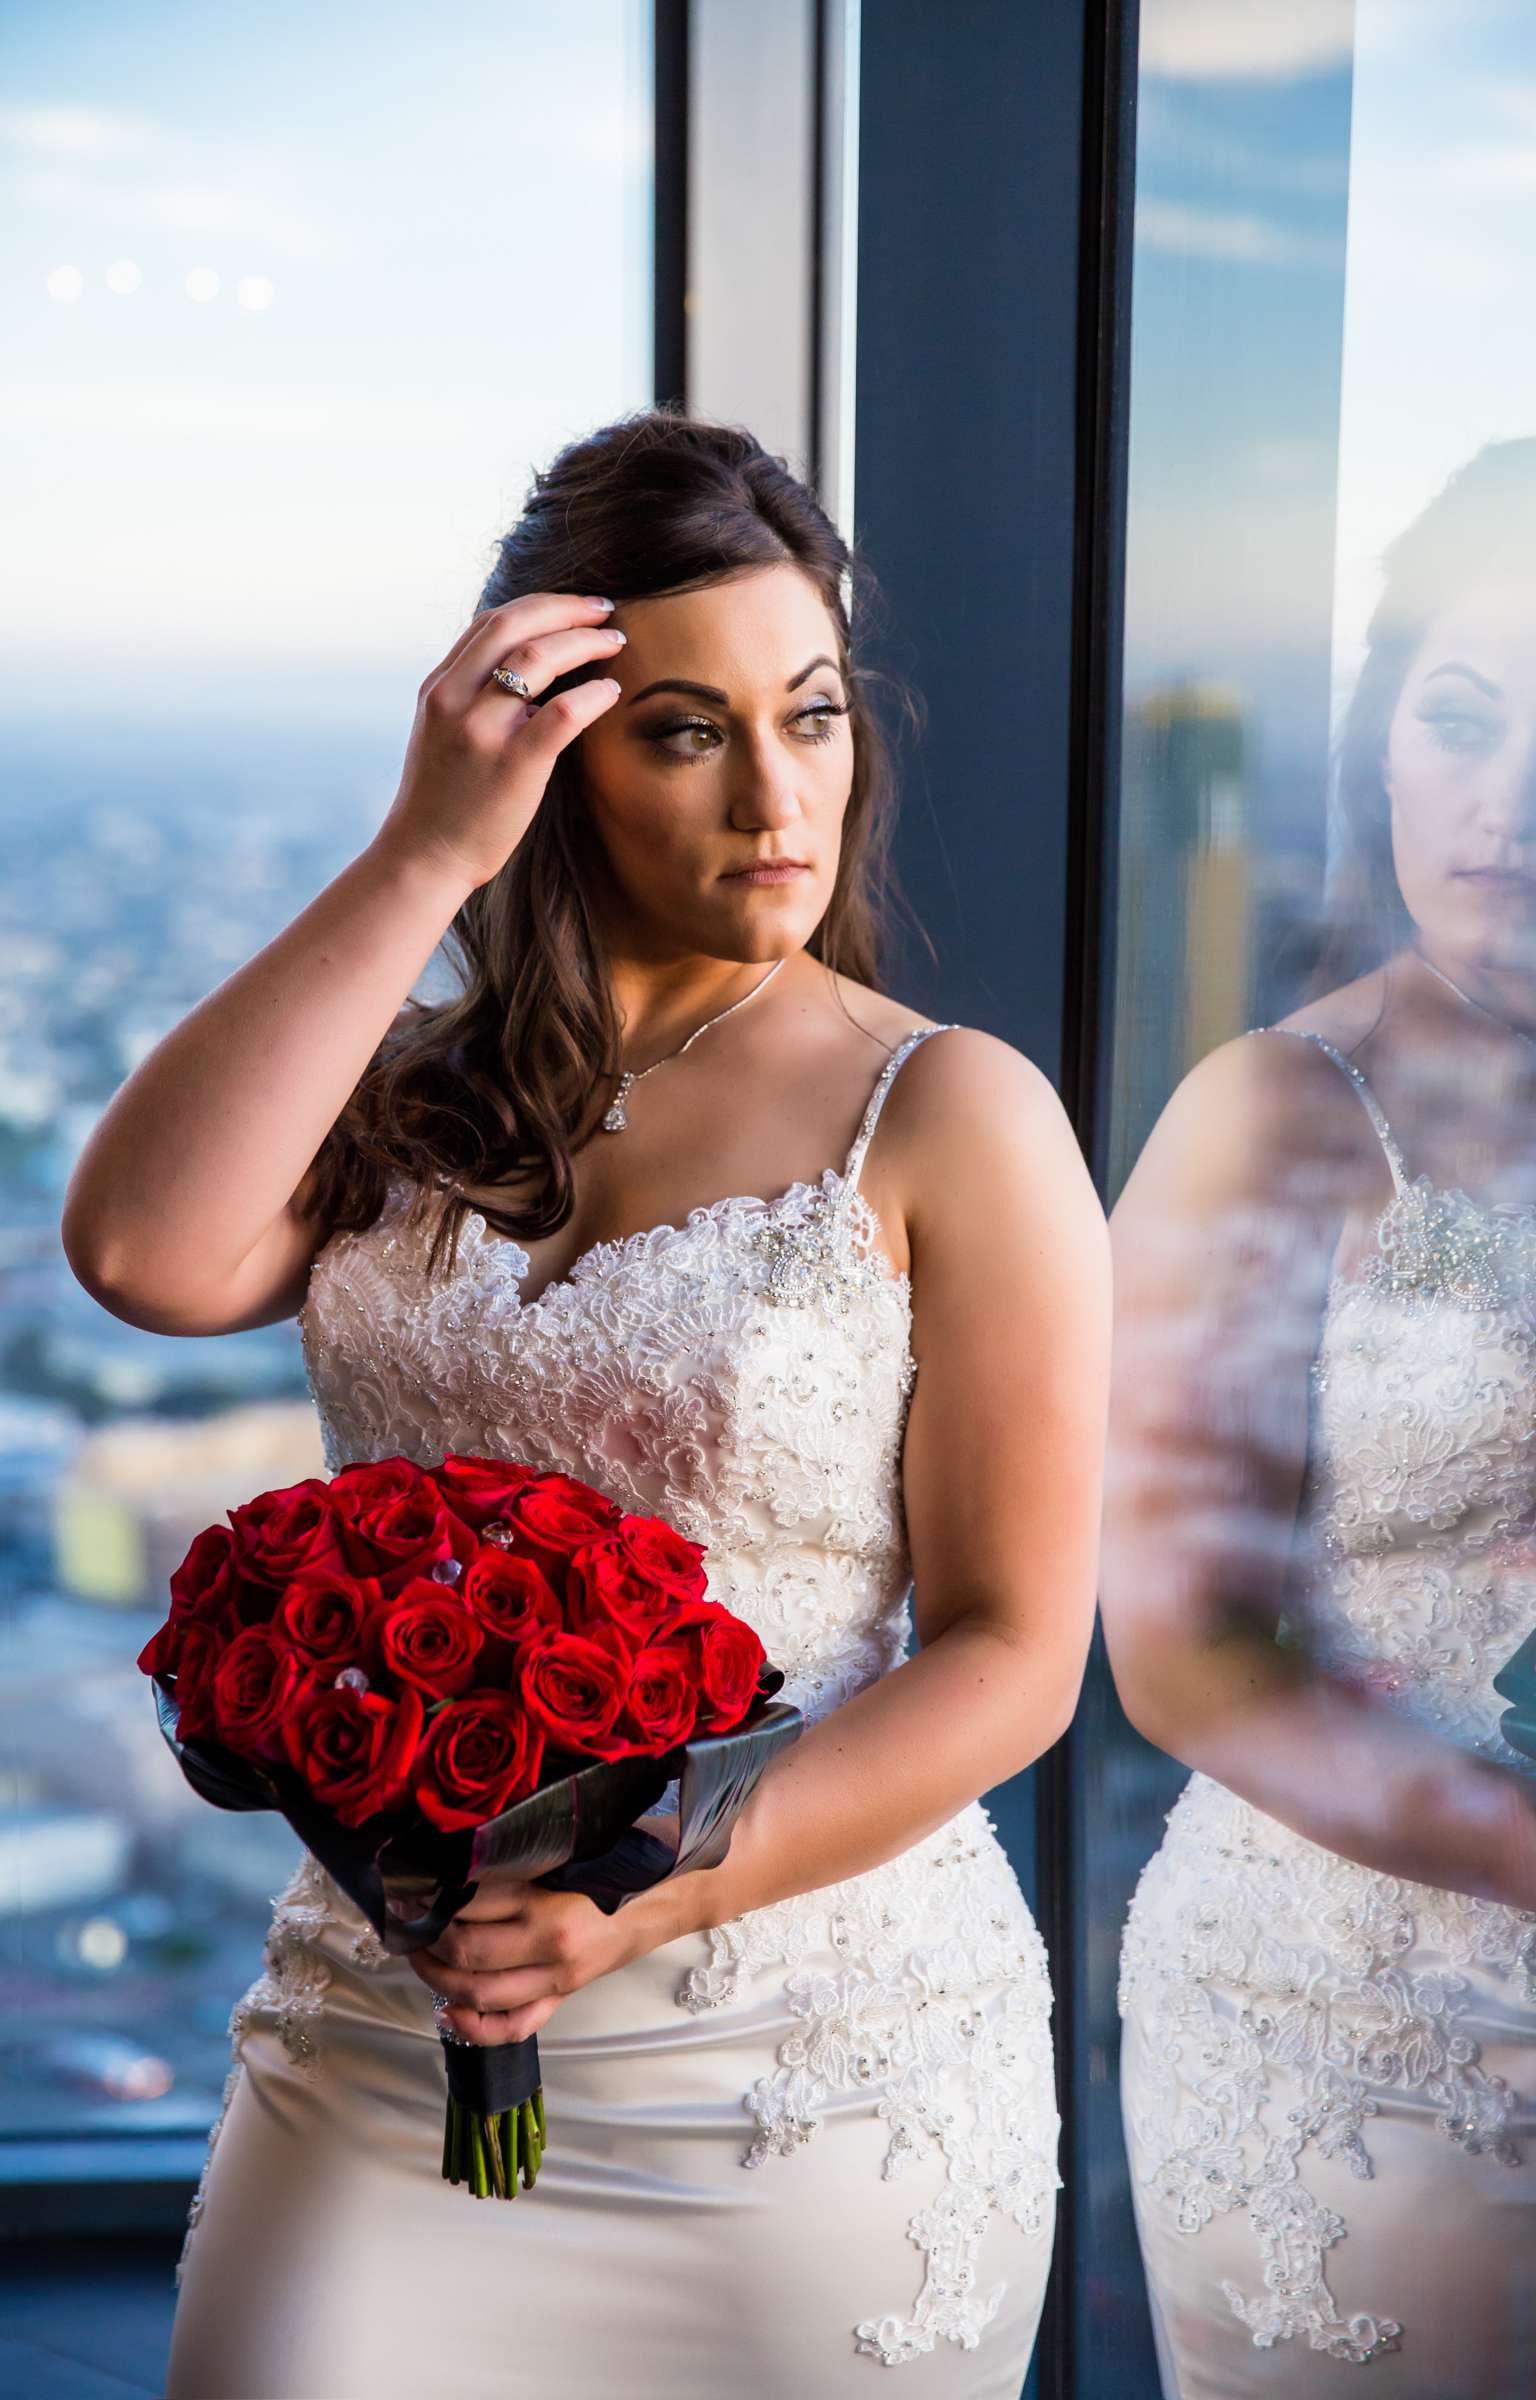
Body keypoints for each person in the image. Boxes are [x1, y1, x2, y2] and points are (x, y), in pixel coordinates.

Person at [62, 407, 1109, 2398]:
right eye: (686, 730)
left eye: (808, 715)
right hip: (383, 2040)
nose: (775, 795)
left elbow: (1010, 1654)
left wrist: (643, 1891)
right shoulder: (408, 1097)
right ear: (547, 746)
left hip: (797, 2075)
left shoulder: (947, 1112)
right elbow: (138, 1251)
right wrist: (420, 849)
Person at [1104, 428, 1536, 2396]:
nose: (1507, 801)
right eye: (1457, 721)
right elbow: (1183, 1661)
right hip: (1356, 2036)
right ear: (1379, 744)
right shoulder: (1278, 1116)